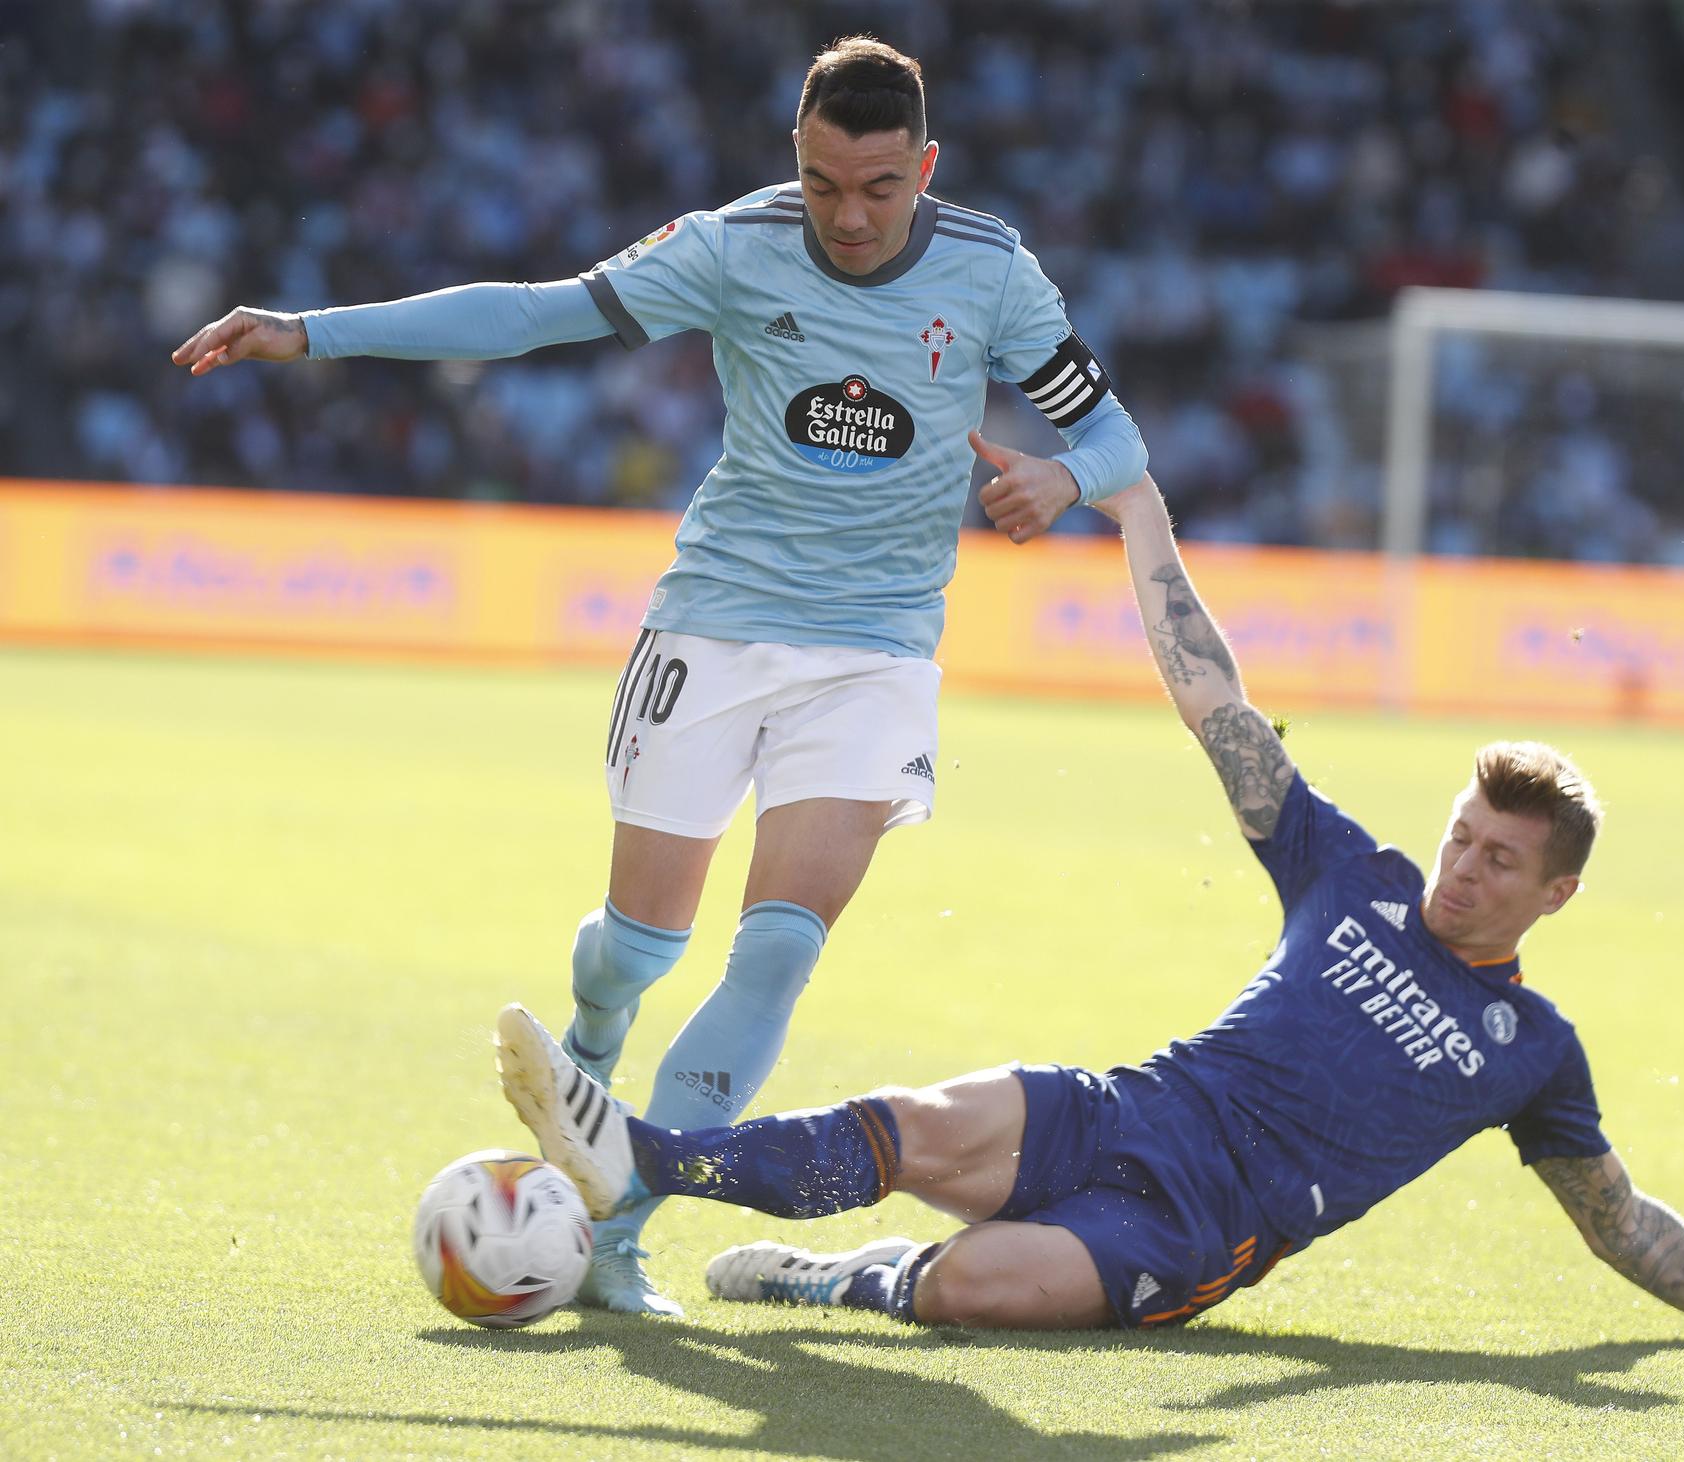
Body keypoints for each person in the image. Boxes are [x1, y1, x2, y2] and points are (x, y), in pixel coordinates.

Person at [170, 37, 1146, 1316]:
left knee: (777, 955)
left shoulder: (992, 272)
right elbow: (534, 313)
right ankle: (589, 1049)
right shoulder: (732, 245)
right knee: (638, 948)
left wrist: (1064, 477)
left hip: (876, 656)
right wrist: (309, 331)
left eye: (877, 188)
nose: (847, 216)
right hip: (714, 631)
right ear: (792, 160)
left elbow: (1109, 428)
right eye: (820, 185)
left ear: (925, 167)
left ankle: (616, 1225)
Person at [495, 474, 1684, 1347]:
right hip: (1126, 1110)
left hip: (1193, 1230)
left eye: (1495, 861)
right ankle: (645, 1158)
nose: (1461, 864)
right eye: (1462, 834)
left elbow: (1621, 1222)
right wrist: (1141, 512)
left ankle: (847, 1282)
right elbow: (1215, 701)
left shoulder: (1532, 1051)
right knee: (919, 1125)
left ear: (1556, 894)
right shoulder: (1347, 870)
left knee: (976, 1290)